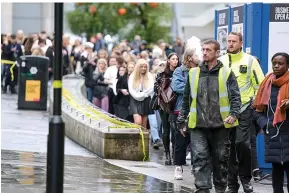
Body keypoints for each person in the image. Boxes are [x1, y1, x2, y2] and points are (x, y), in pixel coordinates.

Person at [177, 39, 241, 193]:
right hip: (198, 125)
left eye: (208, 50)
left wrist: (233, 114)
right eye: (203, 50)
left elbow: (235, 97)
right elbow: (186, 100)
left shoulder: (226, 72)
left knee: (221, 160)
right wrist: (181, 120)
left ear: (217, 53)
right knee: (200, 159)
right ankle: (203, 189)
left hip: (221, 125)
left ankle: (220, 188)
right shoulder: (193, 73)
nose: (204, 53)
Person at [219, 32, 265, 193]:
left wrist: (254, 103)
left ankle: (246, 179)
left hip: (245, 110)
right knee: (229, 147)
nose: (230, 44)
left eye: (233, 41)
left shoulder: (250, 61)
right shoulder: (221, 61)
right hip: (225, 111)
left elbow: (261, 84)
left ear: (241, 43)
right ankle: (232, 184)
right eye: (228, 41)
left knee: (242, 144)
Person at [253, 52, 289, 193]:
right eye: (274, 63)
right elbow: (256, 111)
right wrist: (265, 123)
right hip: (273, 134)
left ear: (287, 65)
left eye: (280, 63)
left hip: (288, 133)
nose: (276, 66)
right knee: (277, 171)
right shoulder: (266, 83)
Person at [171, 47, 198, 180]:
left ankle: (196, 165)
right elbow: (176, 87)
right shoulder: (179, 71)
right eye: (196, 54)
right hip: (181, 110)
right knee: (181, 140)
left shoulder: (201, 70)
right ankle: (178, 166)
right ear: (189, 58)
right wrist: (194, 88)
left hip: (198, 110)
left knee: (197, 140)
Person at [154, 53, 179, 165]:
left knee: (174, 129)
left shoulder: (180, 72)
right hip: (164, 104)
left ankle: (173, 153)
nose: (175, 61)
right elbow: (156, 89)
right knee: (166, 129)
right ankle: (167, 154)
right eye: (173, 59)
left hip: (176, 104)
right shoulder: (162, 74)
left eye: (177, 59)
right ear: (168, 60)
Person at [128, 59, 154, 129]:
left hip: (146, 99)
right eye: (141, 67)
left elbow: (151, 88)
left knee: (144, 123)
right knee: (138, 121)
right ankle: (136, 137)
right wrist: (138, 96)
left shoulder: (149, 75)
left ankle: (143, 138)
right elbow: (131, 89)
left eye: (145, 67)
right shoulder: (132, 76)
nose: (143, 68)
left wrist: (143, 95)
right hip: (134, 99)